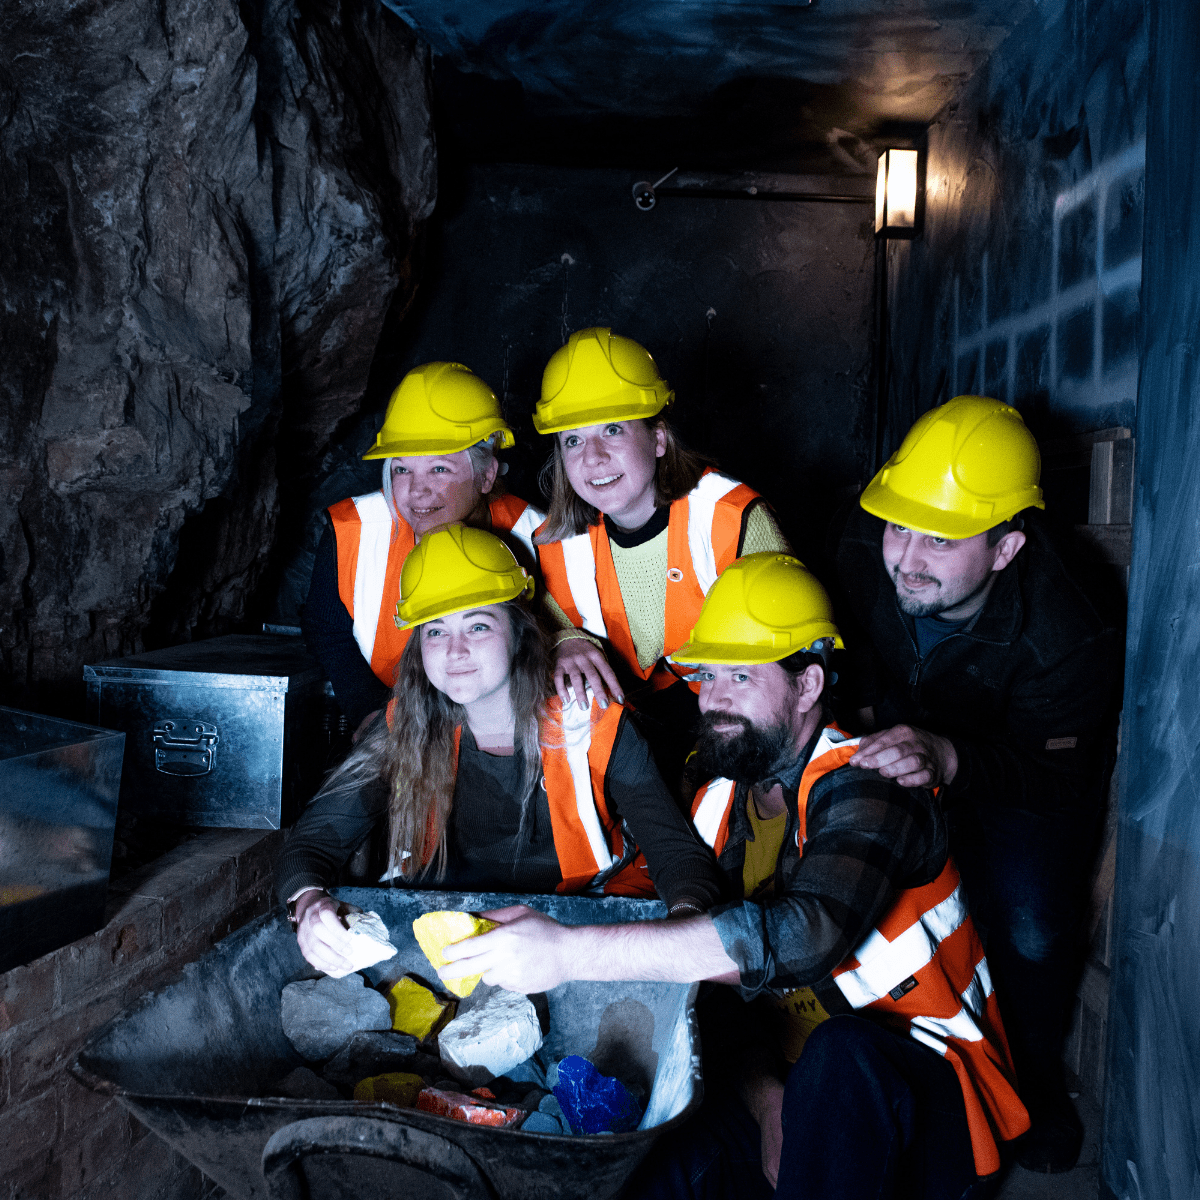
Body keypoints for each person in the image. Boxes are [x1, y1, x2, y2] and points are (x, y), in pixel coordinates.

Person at [437, 552, 1029, 1200]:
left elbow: (804, 938)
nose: (712, 699)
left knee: (840, 1057)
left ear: (807, 686)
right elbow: (704, 973)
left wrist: (570, 951)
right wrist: (769, 1101)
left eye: (740, 678)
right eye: (707, 676)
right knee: (647, 1163)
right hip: (787, 1086)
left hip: (928, 1103)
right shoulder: (719, 804)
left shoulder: (871, 783)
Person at [833, 395, 1120, 1172]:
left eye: (941, 538)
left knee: (1029, 924)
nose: (907, 557)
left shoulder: (1069, 627)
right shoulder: (864, 549)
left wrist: (955, 760)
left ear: (1005, 549)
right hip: (897, 737)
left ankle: (1031, 1080)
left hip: (1015, 779)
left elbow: (1060, 776)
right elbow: (834, 643)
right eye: (900, 527)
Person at [279, 524, 724, 978]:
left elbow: (677, 856)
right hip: (449, 938)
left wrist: (679, 932)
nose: (455, 650)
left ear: (521, 633)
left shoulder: (593, 725)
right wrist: (309, 903)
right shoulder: (402, 728)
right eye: (435, 632)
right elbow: (313, 842)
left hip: (579, 928)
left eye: (478, 625)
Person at [534, 326, 790, 791]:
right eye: (572, 439)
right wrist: (562, 641)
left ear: (658, 438)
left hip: (739, 737)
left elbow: (788, 678)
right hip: (633, 747)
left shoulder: (732, 520)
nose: (592, 457)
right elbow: (536, 625)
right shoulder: (554, 545)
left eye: (612, 429)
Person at [302, 362, 544, 739]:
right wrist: (369, 715)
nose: (417, 492)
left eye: (439, 470)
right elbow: (327, 629)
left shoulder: (539, 536)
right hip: (390, 718)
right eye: (402, 470)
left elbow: (561, 632)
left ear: (487, 475)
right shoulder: (353, 532)